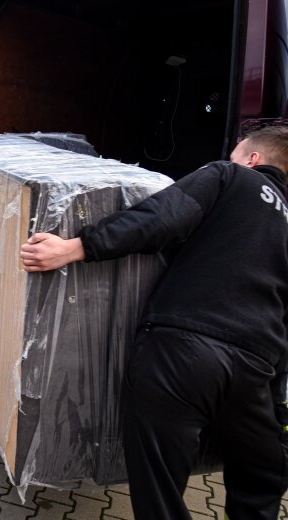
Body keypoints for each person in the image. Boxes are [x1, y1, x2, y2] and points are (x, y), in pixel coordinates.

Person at [19, 126, 288, 520]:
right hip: (254, 368)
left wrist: (77, 246)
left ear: (252, 159)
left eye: (235, 154)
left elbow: (163, 216)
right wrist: (276, 406)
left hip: (182, 348)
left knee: (159, 487)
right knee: (261, 476)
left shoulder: (230, 176)